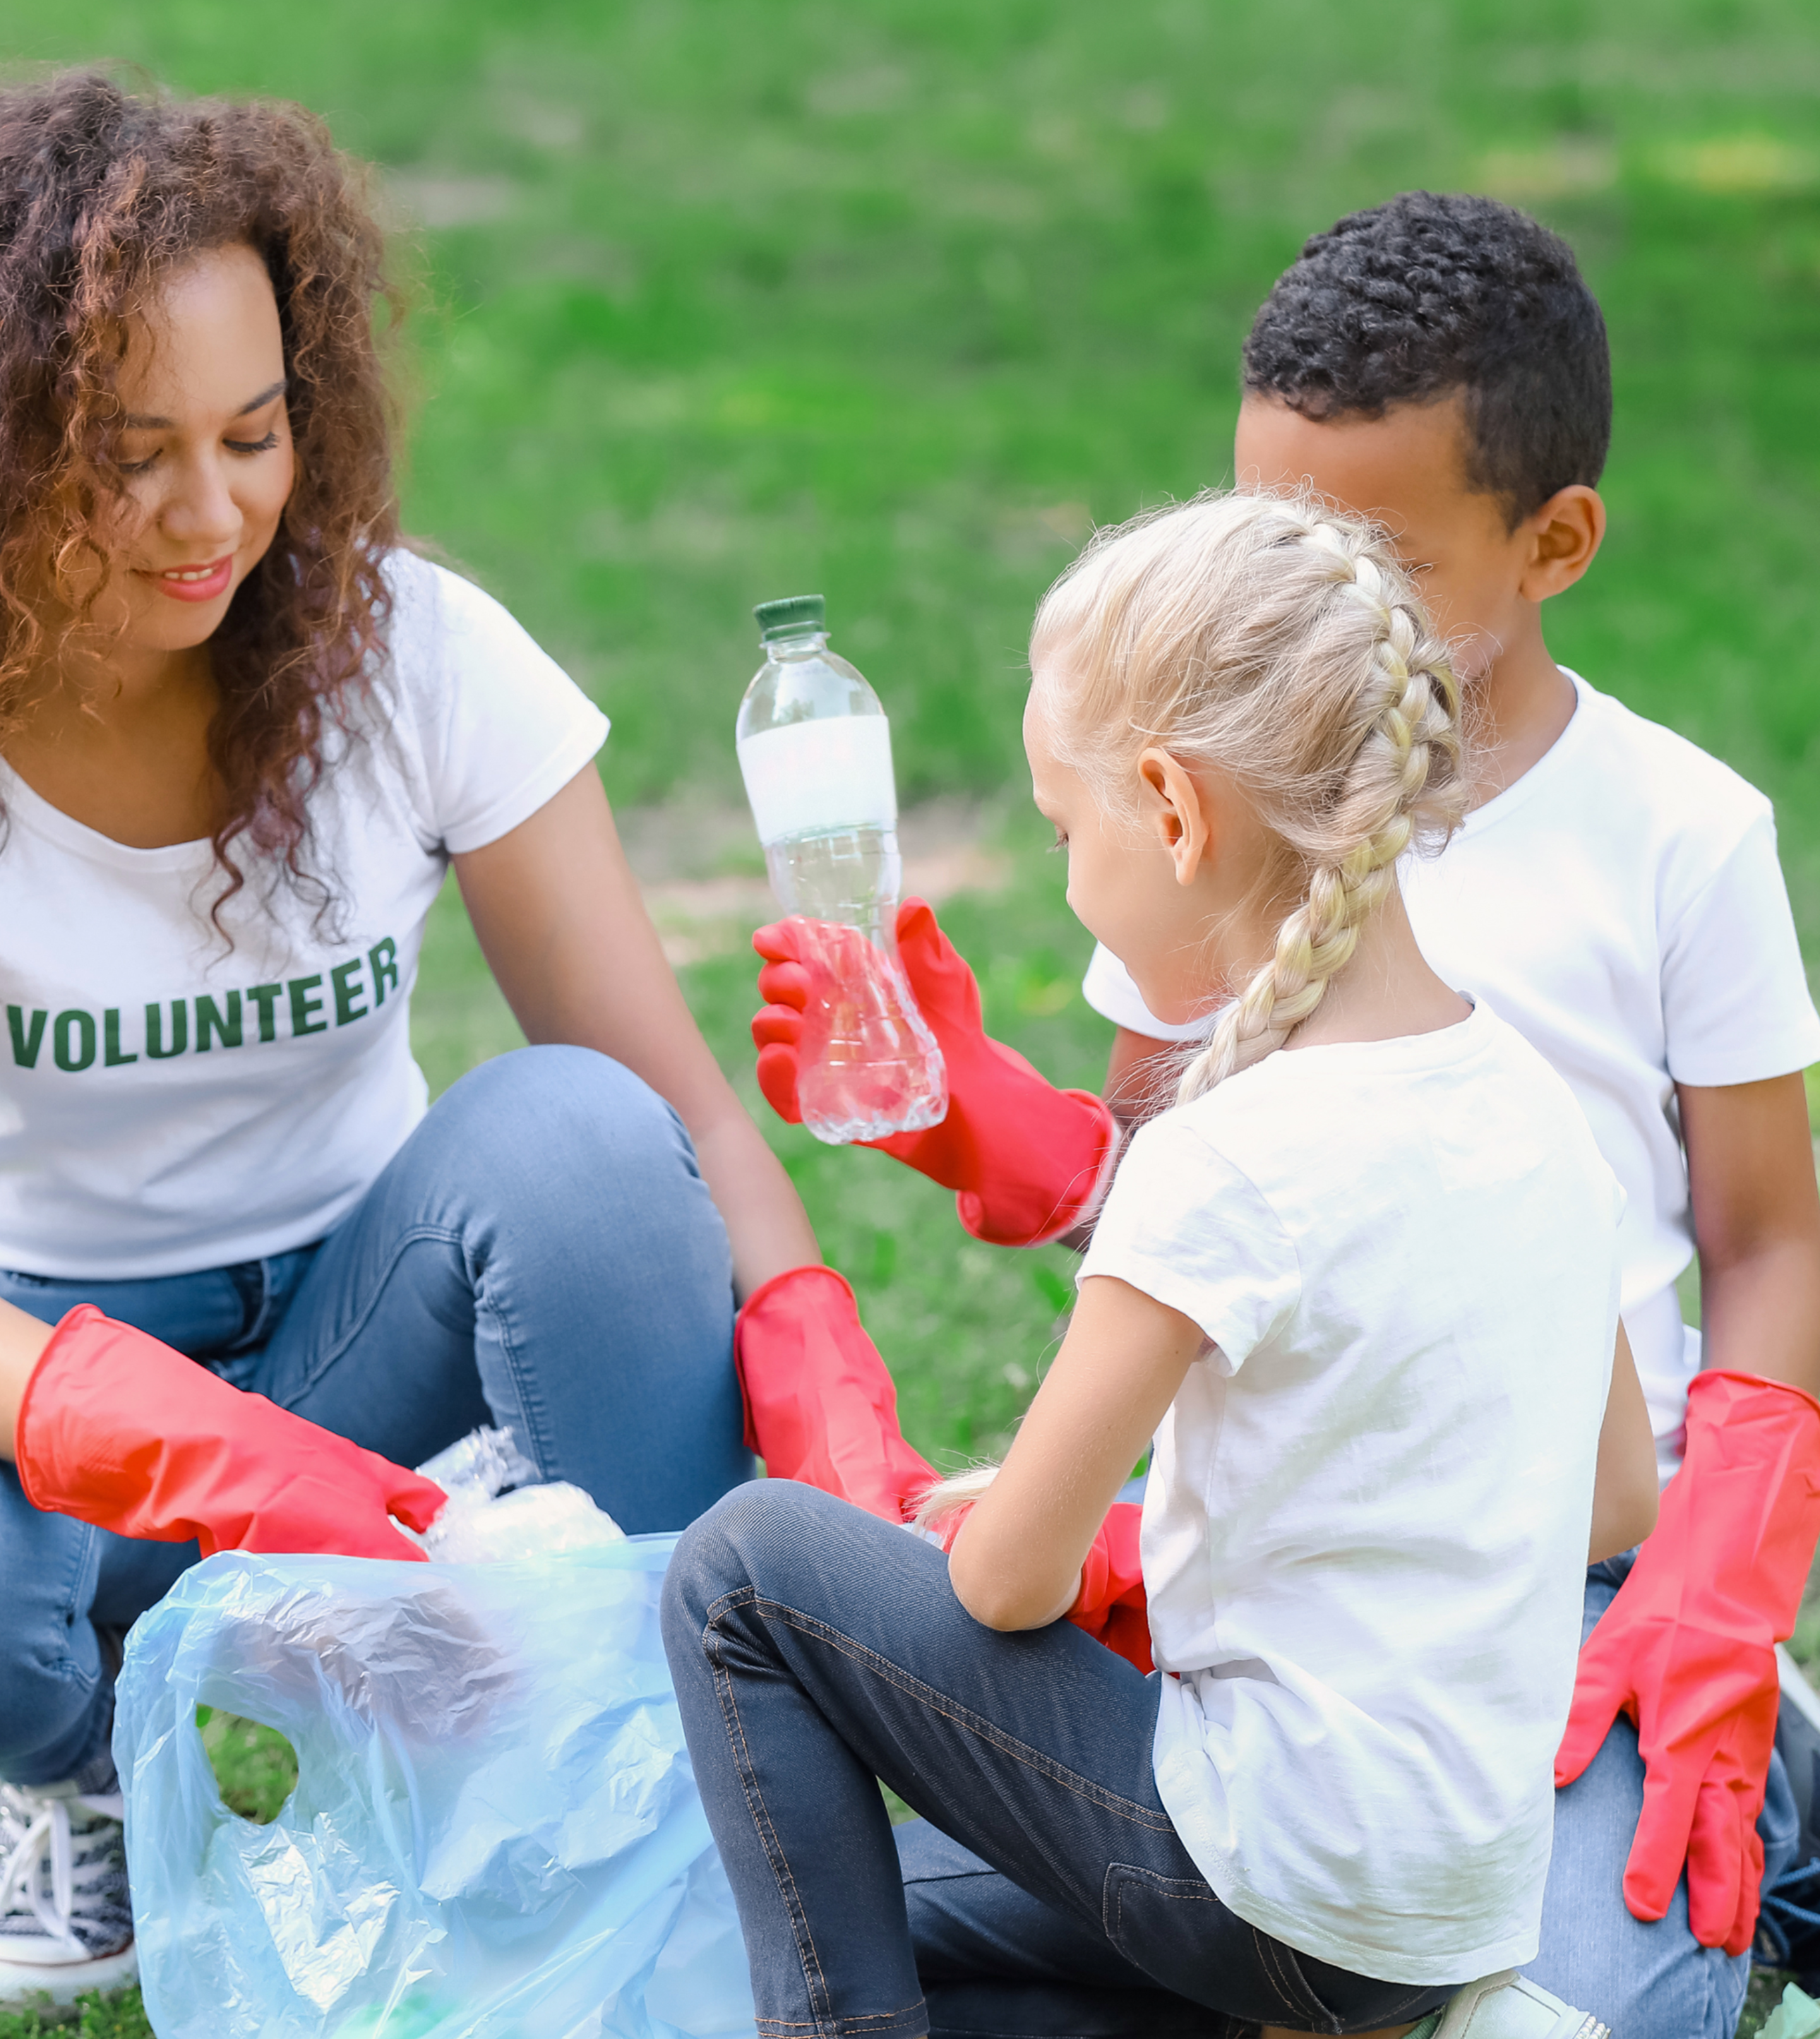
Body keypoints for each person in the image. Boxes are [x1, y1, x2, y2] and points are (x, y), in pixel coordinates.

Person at [0, 74, 917, 2012]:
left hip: (369, 1321)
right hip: (31, 1379)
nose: (212, 512)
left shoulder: (408, 652)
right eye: (125, 454)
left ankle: (653, 1722)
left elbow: (663, 1101)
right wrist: (236, 1478)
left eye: (253, 435)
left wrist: (815, 1354)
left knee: (579, 1141)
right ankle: (82, 1765)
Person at [748, 194, 1820, 2036]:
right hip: (1298, 1509)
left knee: (1591, 1998)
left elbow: (1765, 1243)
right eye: (1258, 528)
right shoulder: (1207, 821)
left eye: (1366, 549)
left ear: (1551, 542)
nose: (1297, 591)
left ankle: (1777, 1777)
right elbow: (1194, 1217)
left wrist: (1708, 1588)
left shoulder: (1676, 831)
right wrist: (995, 1128)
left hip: (1572, 1538)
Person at [669, 492, 1655, 2039]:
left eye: (1067, 831)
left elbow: (1007, 1587)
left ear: (1175, 812)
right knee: (901, 1925)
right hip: (1441, 1910)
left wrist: (1023, 1527)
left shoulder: (1225, 1159)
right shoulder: (1535, 1107)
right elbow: (1615, 1503)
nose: (1066, 874)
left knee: (745, 1570)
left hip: (1262, 1873)